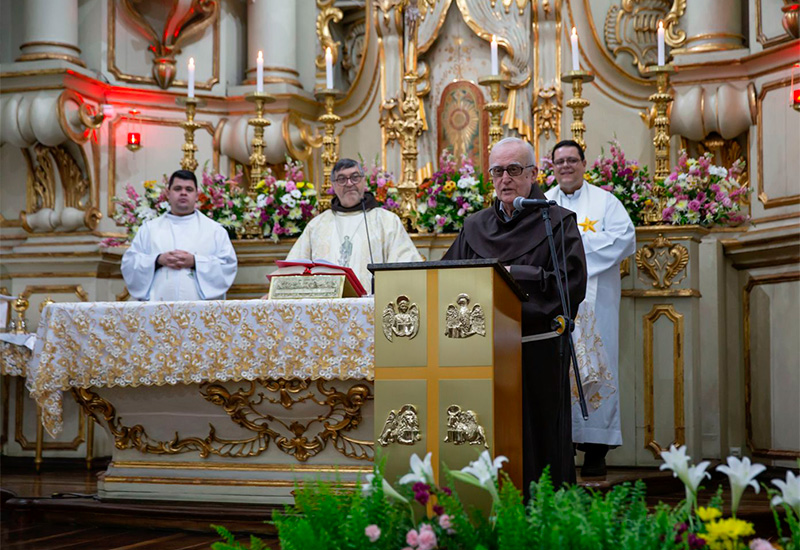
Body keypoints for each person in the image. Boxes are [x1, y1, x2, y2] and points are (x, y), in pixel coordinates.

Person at [442, 137, 587, 490]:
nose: (505, 178)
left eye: (514, 170)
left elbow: (570, 285)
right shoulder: (475, 226)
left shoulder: (556, 222)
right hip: (484, 352)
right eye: (497, 171)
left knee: (538, 437)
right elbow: (447, 277)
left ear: (534, 174)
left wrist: (513, 282)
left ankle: (544, 512)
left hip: (536, 349)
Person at [544, 140, 635, 477]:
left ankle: (597, 451)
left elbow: (624, 237)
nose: (565, 166)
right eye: (559, 162)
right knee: (558, 371)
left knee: (599, 368)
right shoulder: (544, 203)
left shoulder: (605, 202)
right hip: (555, 301)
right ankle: (562, 447)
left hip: (598, 306)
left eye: (572, 160)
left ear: (584, 163)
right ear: (551, 167)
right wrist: (569, 256)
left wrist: (573, 253)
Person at [286, 158, 422, 291]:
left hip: (372, 307)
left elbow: (405, 266)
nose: (349, 183)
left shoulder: (386, 221)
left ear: (364, 181)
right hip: (325, 308)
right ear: (333, 185)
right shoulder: (317, 225)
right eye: (341, 179)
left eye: (355, 177)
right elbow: (294, 269)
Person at [122, 169, 237, 301]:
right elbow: (130, 264)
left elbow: (227, 265)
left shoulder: (215, 230)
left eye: (189, 189)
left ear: (197, 195)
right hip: (157, 310)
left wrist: (195, 262)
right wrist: (158, 260)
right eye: (177, 188)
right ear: (168, 193)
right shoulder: (149, 229)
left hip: (200, 311)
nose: (183, 193)